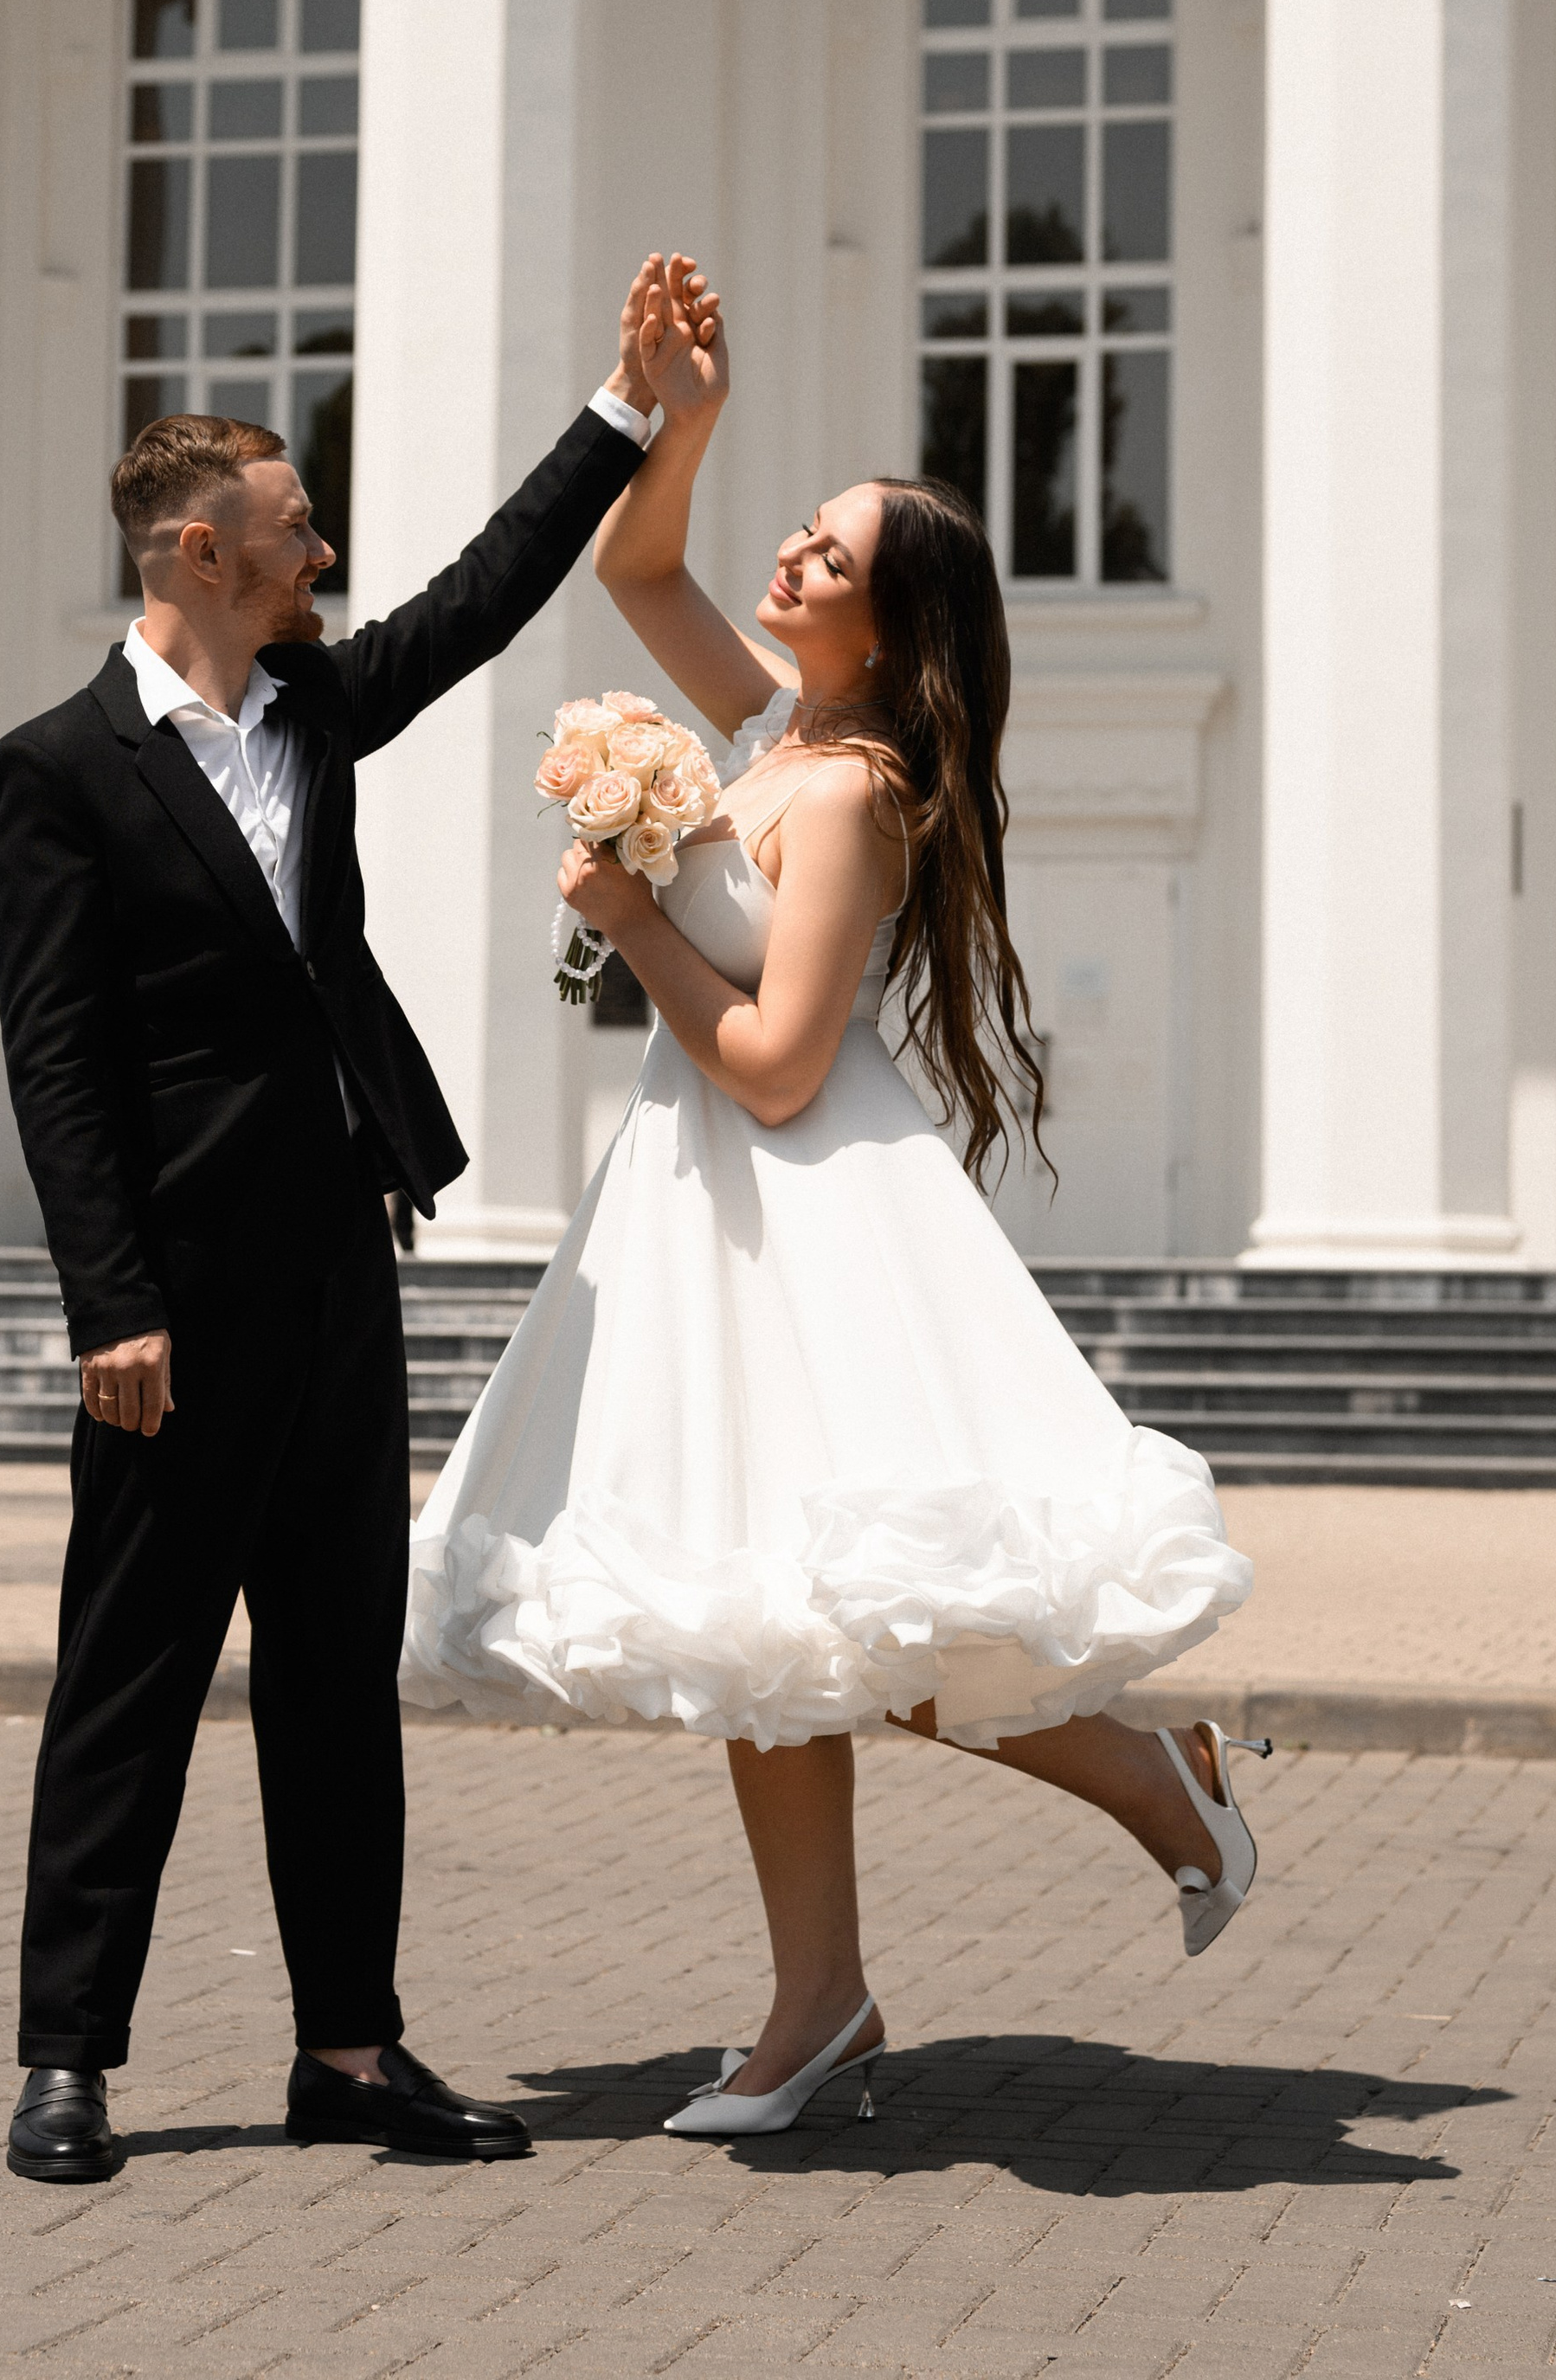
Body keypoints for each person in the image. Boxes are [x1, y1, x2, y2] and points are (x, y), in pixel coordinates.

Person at [403, 257, 1263, 2138]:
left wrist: (628, 916)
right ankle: (820, 2008)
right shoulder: (762, 732)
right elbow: (635, 573)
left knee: (892, 1617)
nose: (783, 563)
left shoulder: (852, 786)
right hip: (708, 1210)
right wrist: (676, 417)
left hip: (804, 1205)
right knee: (759, 1623)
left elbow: (782, 1058)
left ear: (882, 627)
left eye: (823, 556)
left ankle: (1159, 1790)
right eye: (789, 535)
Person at [0, 262, 680, 2182]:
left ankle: (348, 2053)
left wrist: (619, 412)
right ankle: (67, 2057)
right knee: (127, 1677)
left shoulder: (305, 706)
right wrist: (108, 1300)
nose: (328, 554)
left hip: (332, 1272)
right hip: (171, 1309)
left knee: (326, 1678)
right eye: (295, 533)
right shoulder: (57, 775)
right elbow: (55, 1064)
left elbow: (474, 598)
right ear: (198, 551)